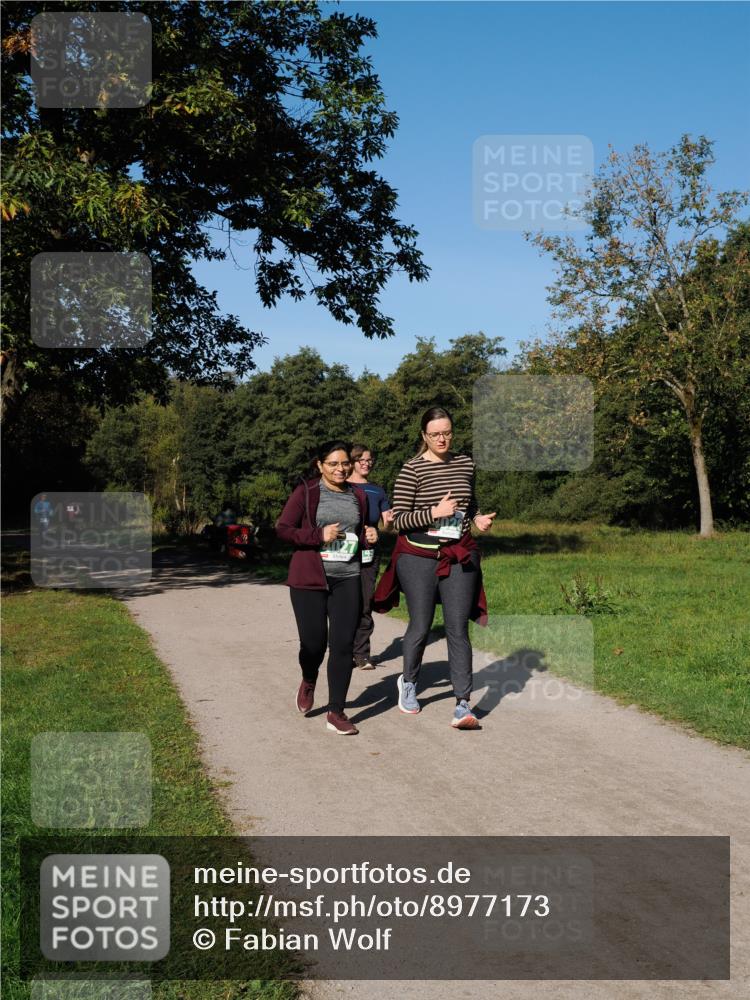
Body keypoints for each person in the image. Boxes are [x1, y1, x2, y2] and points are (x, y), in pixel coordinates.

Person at [374, 406, 496, 729]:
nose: (442, 439)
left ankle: (462, 703)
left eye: (447, 432)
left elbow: (468, 507)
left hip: (457, 554)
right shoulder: (411, 470)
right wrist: (433, 512)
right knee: (422, 624)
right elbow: (399, 520)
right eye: (435, 434)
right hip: (418, 557)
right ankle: (409, 683)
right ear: (424, 436)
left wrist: (476, 520)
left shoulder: (465, 464)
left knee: (458, 627)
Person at [276, 440, 378, 735]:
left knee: (343, 645)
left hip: (348, 577)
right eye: (333, 463)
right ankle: (309, 678)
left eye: (345, 463)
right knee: (313, 644)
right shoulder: (307, 492)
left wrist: (370, 534)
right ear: (319, 465)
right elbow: (283, 530)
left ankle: (336, 711)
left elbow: (361, 530)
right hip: (309, 579)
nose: (340, 468)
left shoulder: (358, 495)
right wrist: (317, 534)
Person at [346, 444, 394, 670]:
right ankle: (342, 652)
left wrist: (387, 525)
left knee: (365, 603)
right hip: (342, 555)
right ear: (352, 461)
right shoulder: (341, 486)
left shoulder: (378, 491)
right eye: (361, 459)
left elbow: (389, 524)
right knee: (343, 605)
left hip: (368, 554)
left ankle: (362, 654)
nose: (366, 463)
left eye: (370, 459)